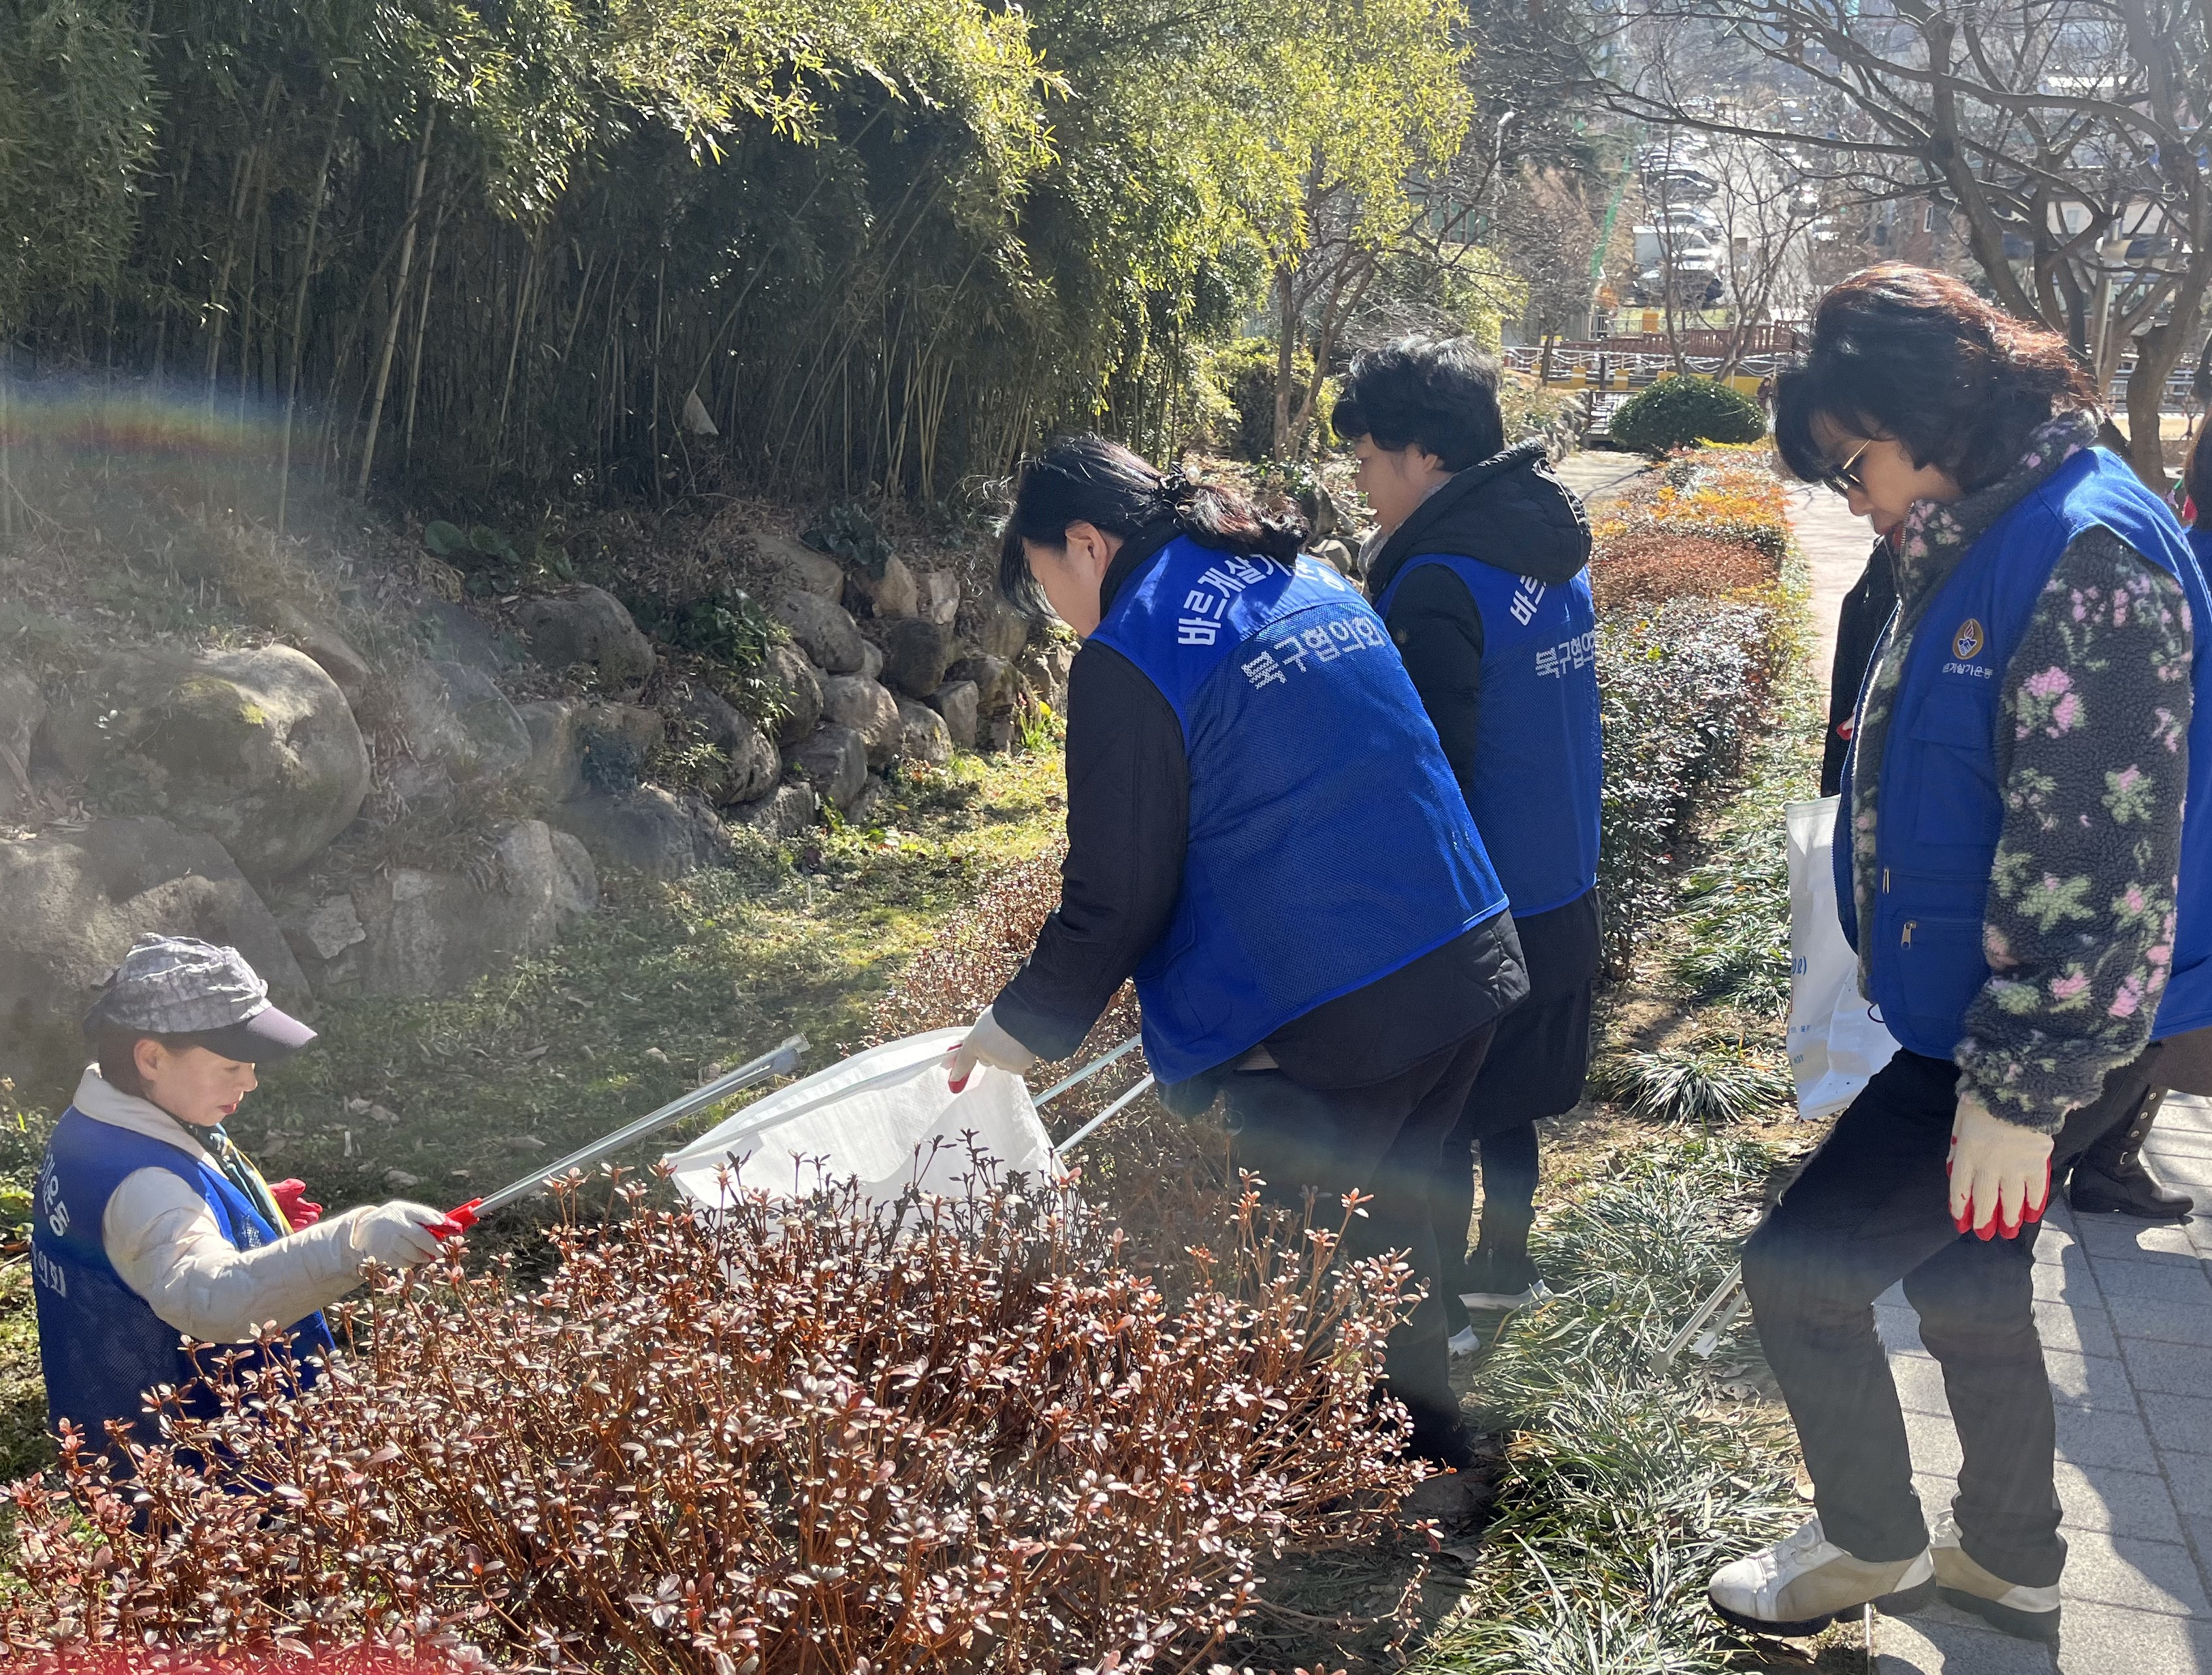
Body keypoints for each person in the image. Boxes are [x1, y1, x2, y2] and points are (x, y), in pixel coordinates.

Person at [1710, 264, 2212, 1643]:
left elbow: (2098, 853)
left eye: (1851, 459)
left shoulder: (2080, 550)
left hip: (2035, 1026)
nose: (1852, 498)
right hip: (2008, 1012)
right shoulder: (1997, 527)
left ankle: (1868, 1539)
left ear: (1929, 409)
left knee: (1797, 1276)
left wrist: (2019, 1086)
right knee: (1963, 1271)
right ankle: (2009, 1556)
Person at [946, 436, 1530, 1469]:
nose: (1055, 606)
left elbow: (1117, 891)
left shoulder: (1133, 648)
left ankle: (1323, 1492)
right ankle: (1425, 1456)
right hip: (1462, 949)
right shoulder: (1295, 571)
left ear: (1084, 543)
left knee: (1304, 1256)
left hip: (1340, 1000)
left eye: (1042, 579)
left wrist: (1014, 1028)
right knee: (1387, 1219)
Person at [1332, 338, 1603, 1347]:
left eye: (1364, 458)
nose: (1358, 484)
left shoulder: (1436, 580)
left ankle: (1440, 1310)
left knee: (1440, 1115)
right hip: (1561, 875)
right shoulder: (1542, 548)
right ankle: (1507, 1265)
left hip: (1480, 903)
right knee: (1510, 1105)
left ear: (1422, 456)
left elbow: (1428, 769)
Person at [31, 935, 458, 1453]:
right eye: (231, 1066)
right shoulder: (148, 1187)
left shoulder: (101, 1122)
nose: (250, 1081)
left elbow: (133, 1243)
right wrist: (355, 1239)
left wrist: (236, 1212)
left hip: (115, 1422)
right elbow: (211, 1300)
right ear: (152, 1058)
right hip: (212, 1470)